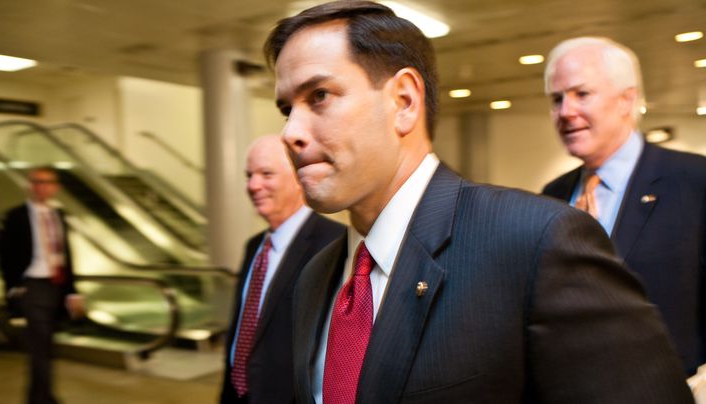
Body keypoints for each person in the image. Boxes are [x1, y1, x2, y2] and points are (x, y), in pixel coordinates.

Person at [264, 2, 694, 403]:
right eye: (287, 108)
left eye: (319, 96)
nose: (290, 132)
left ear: (404, 102)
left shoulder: (536, 243)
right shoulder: (317, 277)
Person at [542, 36, 706, 375]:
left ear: (626, 101)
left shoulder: (694, 181)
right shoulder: (553, 195)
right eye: (557, 99)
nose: (565, 112)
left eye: (581, 94)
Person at [221, 135, 345, 403]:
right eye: (249, 175)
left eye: (266, 174)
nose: (253, 185)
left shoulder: (337, 245)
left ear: (299, 178)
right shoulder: (254, 246)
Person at [0, 166, 84, 404]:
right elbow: (4, 256)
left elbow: (66, 255)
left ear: (56, 187)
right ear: (29, 185)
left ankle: (39, 395)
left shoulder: (59, 216)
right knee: (40, 345)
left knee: (45, 346)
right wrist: (15, 288)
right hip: (32, 287)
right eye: (36, 181)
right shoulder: (15, 216)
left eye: (47, 182)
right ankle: (42, 399)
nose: (41, 186)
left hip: (56, 286)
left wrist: (72, 292)